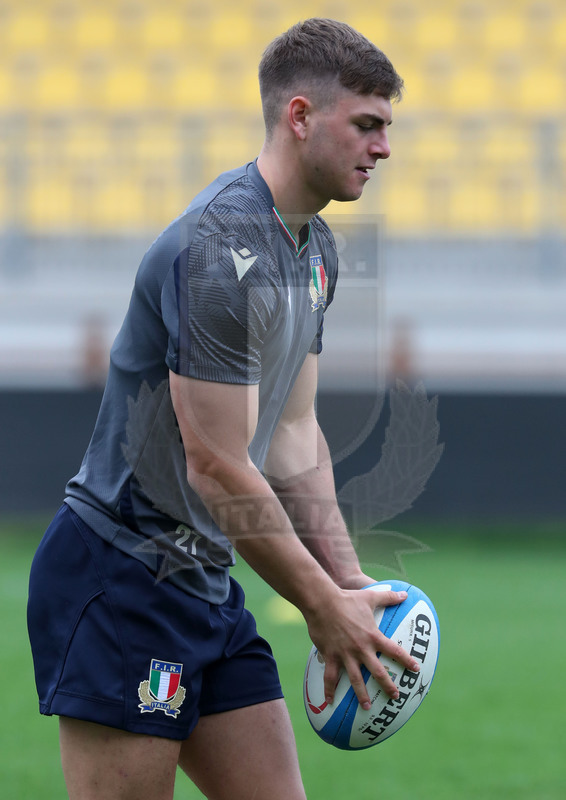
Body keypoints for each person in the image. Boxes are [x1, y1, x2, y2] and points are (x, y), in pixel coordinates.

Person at [28, 18, 421, 800]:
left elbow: (295, 439)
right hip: (123, 576)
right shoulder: (219, 252)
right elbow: (216, 464)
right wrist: (317, 607)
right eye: (367, 125)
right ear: (300, 116)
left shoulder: (314, 250)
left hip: (204, 580)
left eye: (387, 128)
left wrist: (348, 590)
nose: (383, 148)